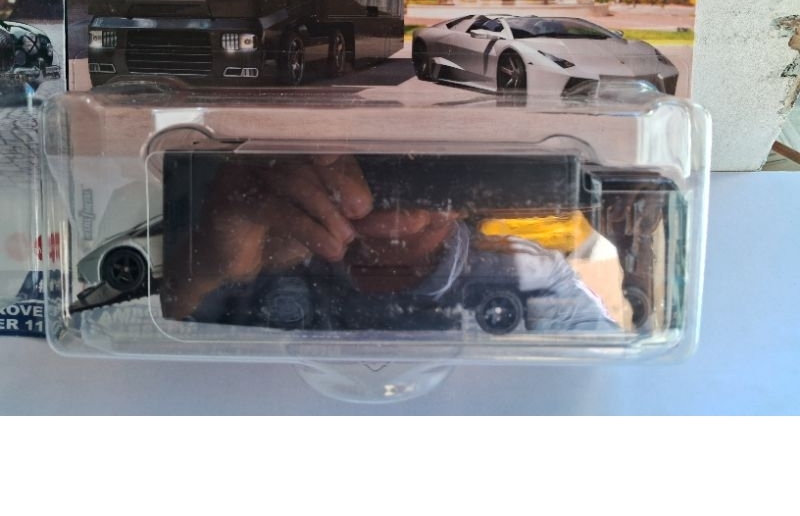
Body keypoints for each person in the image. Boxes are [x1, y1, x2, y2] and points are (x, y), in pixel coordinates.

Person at [160, 154, 619, 332]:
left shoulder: (529, 277)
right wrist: (213, 262)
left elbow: (610, 385)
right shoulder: (272, 248)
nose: (400, 175)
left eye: (431, 161)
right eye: (373, 157)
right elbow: (151, 358)